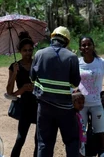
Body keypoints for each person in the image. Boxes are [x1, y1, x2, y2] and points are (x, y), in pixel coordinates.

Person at [30, 26, 81, 157]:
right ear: (67, 41)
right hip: (65, 109)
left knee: (44, 143)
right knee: (71, 142)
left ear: (52, 38)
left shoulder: (39, 54)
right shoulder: (72, 57)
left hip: (44, 107)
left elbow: (32, 78)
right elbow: (75, 83)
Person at [77, 36, 104, 157]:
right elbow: (69, 79)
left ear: (93, 46)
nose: (86, 47)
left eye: (89, 44)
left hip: (97, 104)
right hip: (81, 106)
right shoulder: (77, 62)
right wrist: (74, 91)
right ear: (80, 48)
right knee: (80, 136)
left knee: (100, 136)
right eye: (83, 45)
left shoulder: (101, 63)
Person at [6, 31, 38, 157]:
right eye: (25, 50)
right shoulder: (14, 67)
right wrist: (15, 75)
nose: (28, 53)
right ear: (19, 51)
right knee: (20, 138)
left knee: (38, 139)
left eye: (30, 50)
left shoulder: (38, 64)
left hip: (39, 104)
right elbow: (10, 93)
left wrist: (35, 87)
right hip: (25, 105)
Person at [72, 91, 87, 157]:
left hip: (82, 140)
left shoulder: (79, 114)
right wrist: (79, 141)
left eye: (83, 103)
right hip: (78, 140)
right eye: (79, 103)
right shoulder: (74, 115)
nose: (81, 105)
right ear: (73, 103)